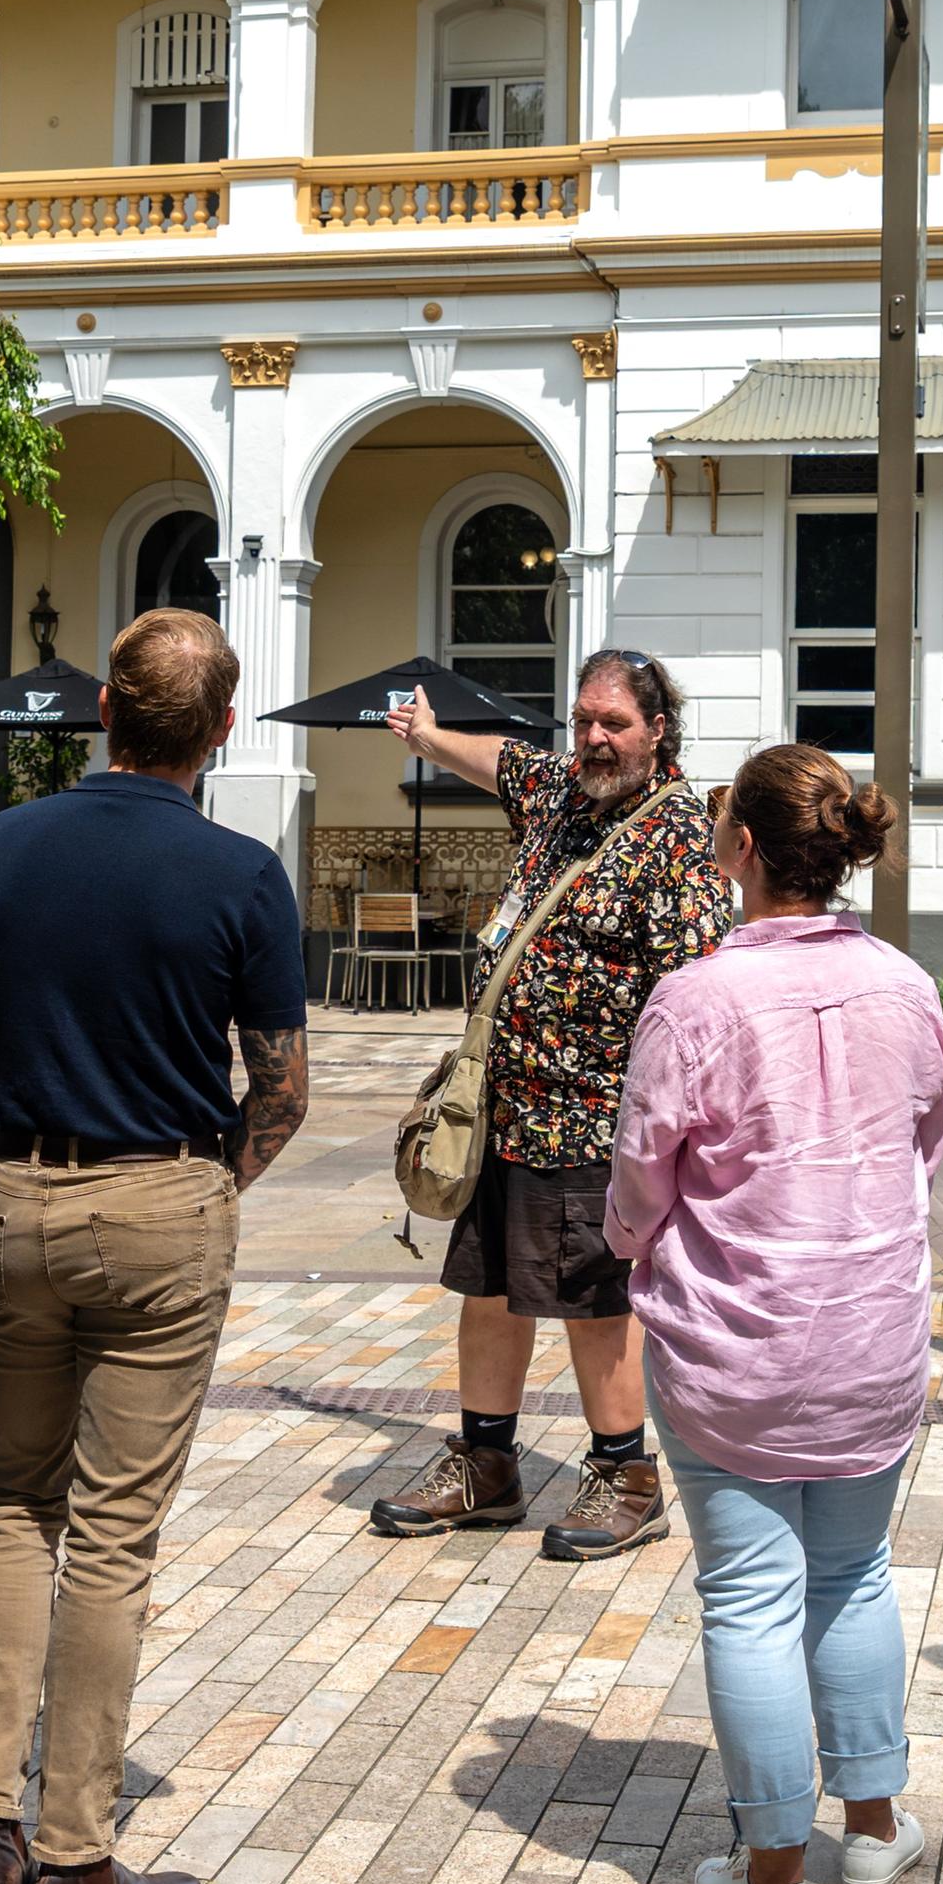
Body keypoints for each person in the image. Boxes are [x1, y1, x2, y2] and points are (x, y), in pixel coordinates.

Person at [0, 607, 310, 1884]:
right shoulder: (241, 872)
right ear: (219, 729)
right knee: (108, 1535)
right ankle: (78, 1852)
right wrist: (214, 1179)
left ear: (104, 707)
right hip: (162, 1191)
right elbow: (282, 1088)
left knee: (14, 1503)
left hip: (18, 1189)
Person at [604, 745, 943, 1884]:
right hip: (866, 1335)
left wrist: (627, 1241)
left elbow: (641, 1173)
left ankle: (769, 1870)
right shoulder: (906, 984)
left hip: (732, 1344)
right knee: (852, 1575)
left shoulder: (695, 995)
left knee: (749, 1596)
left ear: (743, 848)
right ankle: (869, 1825)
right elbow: (924, 1134)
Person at [369, 648, 732, 1559]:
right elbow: (500, 759)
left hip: (596, 1111)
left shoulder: (679, 834)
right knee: (487, 1284)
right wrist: (425, 734)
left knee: (593, 1297)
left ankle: (625, 1475)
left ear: (658, 730)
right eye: (583, 722)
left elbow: (696, 993)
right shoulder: (559, 793)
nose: (595, 739)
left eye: (614, 723)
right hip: (504, 1104)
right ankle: (487, 1463)